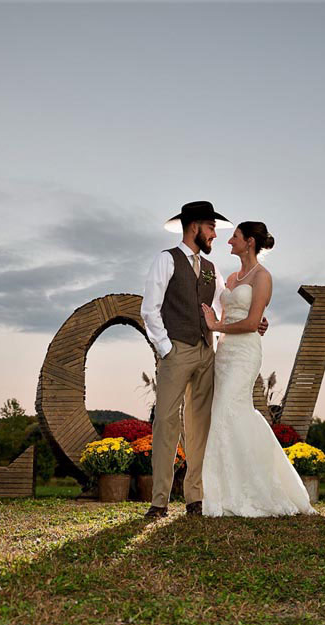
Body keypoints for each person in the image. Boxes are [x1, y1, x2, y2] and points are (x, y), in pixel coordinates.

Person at [139, 201, 267, 519]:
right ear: (194, 226)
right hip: (176, 351)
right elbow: (149, 309)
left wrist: (256, 320)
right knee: (167, 423)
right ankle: (159, 501)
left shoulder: (212, 270)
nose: (214, 235)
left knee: (200, 426)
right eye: (211, 227)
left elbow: (228, 300)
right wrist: (166, 348)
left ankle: (194, 497)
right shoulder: (165, 260)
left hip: (207, 353)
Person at [199, 221, 315, 517]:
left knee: (227, 410)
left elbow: (252, 323)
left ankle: (251, 491)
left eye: (234, 237)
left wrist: (216, 325)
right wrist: (216, 328)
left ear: (249, 241)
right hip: (224, 353)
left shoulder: (263, 277)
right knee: (228, 415)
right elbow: (228, 315)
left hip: (245, 354)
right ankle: (227, 490)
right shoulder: (233, 276)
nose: (229, 242)